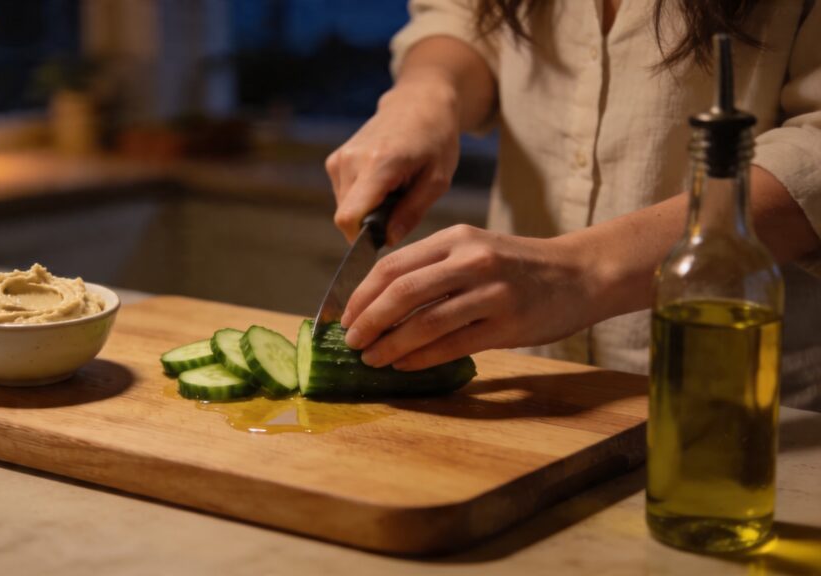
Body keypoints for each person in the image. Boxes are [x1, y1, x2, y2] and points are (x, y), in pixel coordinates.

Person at [327, 0, 821, 409]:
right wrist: (428, 90)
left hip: (749, 409)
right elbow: (461, 15)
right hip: (534, 391)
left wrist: (581, 271)